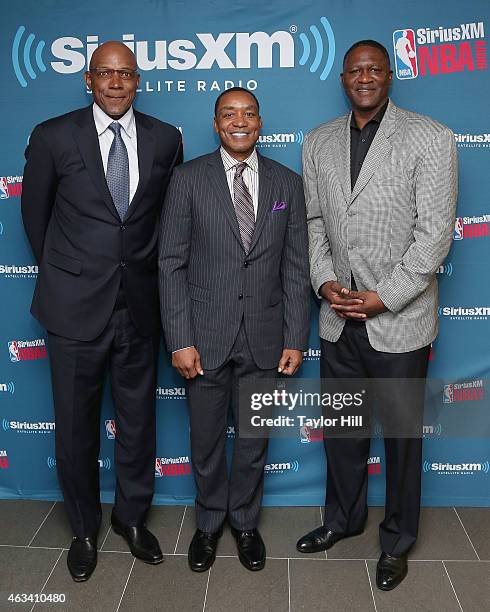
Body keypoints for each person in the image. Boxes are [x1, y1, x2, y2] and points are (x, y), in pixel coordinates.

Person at [296, 40, 457, 590]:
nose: (364, 77)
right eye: (355, 71)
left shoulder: (430, 137)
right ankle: (341, 520)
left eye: (374, 69)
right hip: (339, 317)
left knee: (402, 437)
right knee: (343, 430)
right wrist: (325, 282)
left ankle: (397, 540)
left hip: (399, 320)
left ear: (389, 75)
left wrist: (383, 297)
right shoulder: (317, 141)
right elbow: (314, 221)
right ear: (343, 78)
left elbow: (434, 237)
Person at [21, 41, 182, 582]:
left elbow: (164, 220)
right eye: (106, 75)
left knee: (138, 423)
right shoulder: (52, 136)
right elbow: (35, 220)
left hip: (139, 305)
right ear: (88, 80)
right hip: (73, 309)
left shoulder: (165, 139)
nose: (116, 84)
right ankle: (85, 529)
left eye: (127, 75)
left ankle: (131, 519)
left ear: (139, 82)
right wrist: (72, 276)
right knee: (74, 426)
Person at [159, 87, 310, 572]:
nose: (239, 121)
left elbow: (295, 266)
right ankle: (207, 526)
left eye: (248, 114)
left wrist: (294, 337)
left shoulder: (287, 183)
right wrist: (180, 338)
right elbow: (171, 264)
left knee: (253, 442)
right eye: (229, 114)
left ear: (260, 122)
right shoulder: (186, 180)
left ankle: (244, 523)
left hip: (266, 339)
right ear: (216, 123)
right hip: (204, 337)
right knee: (205, 441)